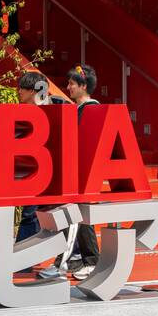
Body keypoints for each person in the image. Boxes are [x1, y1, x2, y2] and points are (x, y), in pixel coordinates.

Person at [15, 71, 70, 248]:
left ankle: (72, 256)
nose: (18, 92)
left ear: (33, 90)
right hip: (35, 171)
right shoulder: (22, 113)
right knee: (30, 213)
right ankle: (24, 259)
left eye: (21, 88)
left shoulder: (60, 106)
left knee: (60, 214)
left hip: (58, 171)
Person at [61, 65, 102, 277]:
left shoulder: (92, 109)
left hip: (85, 171)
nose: (68, 87)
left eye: (72, 84)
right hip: (74, 170)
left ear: (83, 86)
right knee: (72, 214)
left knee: (83, 216)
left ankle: (92, 260)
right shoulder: (76, 109)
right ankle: (75, 257)